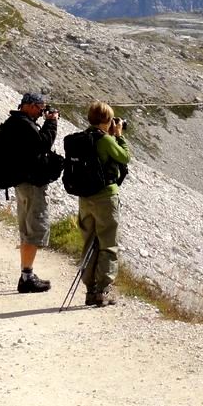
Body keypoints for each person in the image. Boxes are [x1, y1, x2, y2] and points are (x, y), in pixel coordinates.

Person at [0, 92, 58, 293]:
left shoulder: (14, 122)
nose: (42, 111)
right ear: (30, 106)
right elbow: (43, 144)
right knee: (34, 230)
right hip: (31, 185)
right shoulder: (24, 125)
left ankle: (27, 273)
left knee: (26, 230)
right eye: (40, 107)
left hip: (22, 183)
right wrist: (51, 123)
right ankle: (27, 277)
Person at [77, 101, 131, 307]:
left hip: (85, 198)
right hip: (105, 196)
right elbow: (124, 157)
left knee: (90, 242)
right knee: (108, 243)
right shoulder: (106, 140)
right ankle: (103, 290)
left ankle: (90, 289)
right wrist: (119, 136)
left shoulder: (83, 138)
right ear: (107, 120)